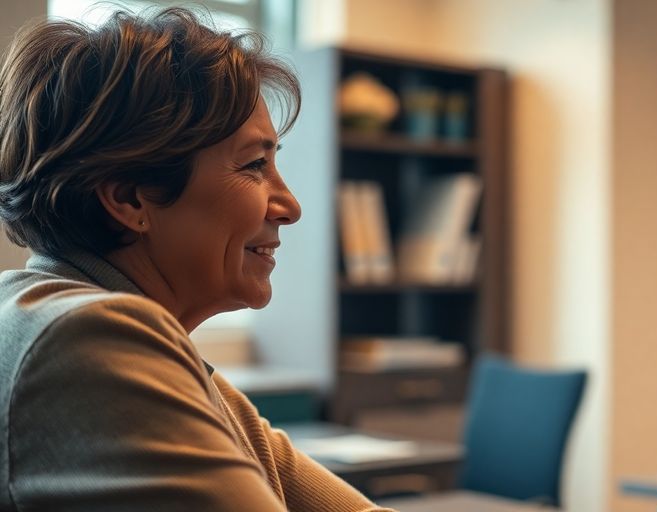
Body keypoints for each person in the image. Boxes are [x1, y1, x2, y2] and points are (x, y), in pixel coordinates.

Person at [0, 8, 392, 511]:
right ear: (130, 198)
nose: (290, 206)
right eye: (254, 165)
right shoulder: (89, 339)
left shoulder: (147, 349)